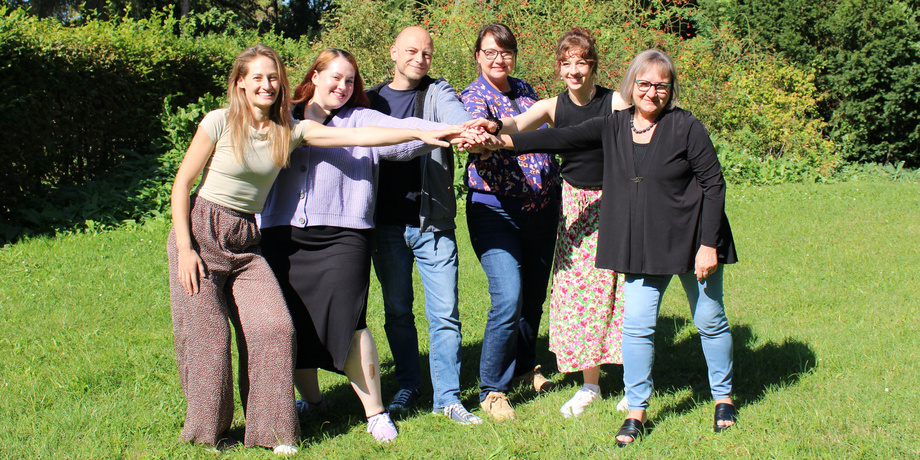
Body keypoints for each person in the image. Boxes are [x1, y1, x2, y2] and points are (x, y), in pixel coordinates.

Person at [167, 45, 458, 454]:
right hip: (201, 232)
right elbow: (182, 185)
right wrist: (185, 247)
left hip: (247, 240)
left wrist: (421, 131)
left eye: (273, 78)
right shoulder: (218, 122)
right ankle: (209, 433)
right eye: (258, 78)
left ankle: (271, 433)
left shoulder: (291, 129)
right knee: (209, 340)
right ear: (240, 84)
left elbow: (360, 135)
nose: (267, 85)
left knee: (276, 328)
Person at [467, 49, 738, 445]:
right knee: (638, 327)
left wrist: (708, 245)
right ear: (632, 86)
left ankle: (723, 398)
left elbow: (714, 185)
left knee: (709, 321)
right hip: (645, 242)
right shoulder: (615, 125)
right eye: (644, 84)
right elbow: (559, 136)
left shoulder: (686, 127)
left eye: (661, 85)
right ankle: (636, 411)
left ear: (670, 89)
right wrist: (500, 140)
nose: (652, 92)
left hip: (693, 237)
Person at [258, 48, 460, 443]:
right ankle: (313, 402)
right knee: (291, 325)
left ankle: (376, 414)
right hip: (283, 235)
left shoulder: (362, 117)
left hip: (344, 236)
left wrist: (449, 131)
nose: (343, 86)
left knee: (352, 323)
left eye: (350, 81)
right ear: (314, 76)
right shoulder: (284, 115)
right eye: (335, 77)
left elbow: (403, 138)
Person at [466, 27, 631, 418]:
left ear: (593, 65)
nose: (574, 70)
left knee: (622, 294)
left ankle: (632, 381)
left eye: (582, 62)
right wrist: (489, 129)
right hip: (573, 206)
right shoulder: (551, 106)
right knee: (582, 294)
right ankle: (588, 383)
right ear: (558, 68)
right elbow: (516, 125)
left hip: (616, 202)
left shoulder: (616, 101)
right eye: (567, 63)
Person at [364, 26, 482, 425]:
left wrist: (468, 130)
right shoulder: (371, 99)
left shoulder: (438, 93)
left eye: (426, 53)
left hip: (432, 223)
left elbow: (457, 118)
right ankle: (408, 383)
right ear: (393, 51)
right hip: (384, 223)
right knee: (397, 311)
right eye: (411, 51)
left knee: (445, 312)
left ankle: (447, 397)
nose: (419, 58)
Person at [459, 23, 561, 421]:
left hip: (542, 208)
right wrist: (480, 139)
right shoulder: (472, 96)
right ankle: (492, 390)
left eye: (504, 52)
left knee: (533, 295)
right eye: (490, 52)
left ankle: (523, 366)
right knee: (508, 295)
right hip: (494, 209)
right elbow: (474, 129)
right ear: (478, 56)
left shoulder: (524, 90)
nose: (498, 59)